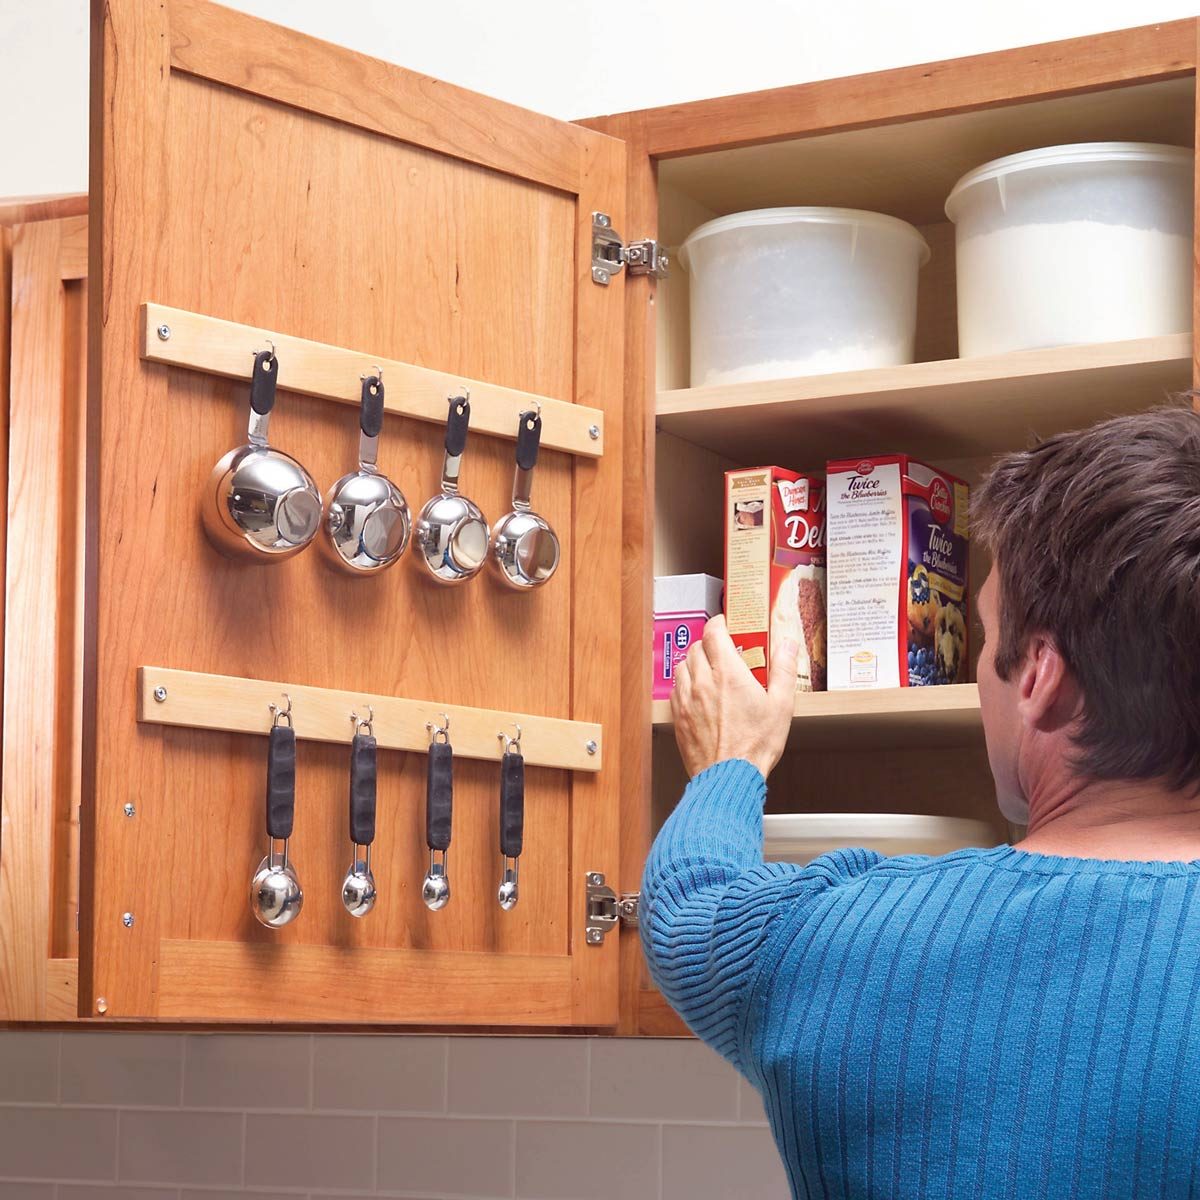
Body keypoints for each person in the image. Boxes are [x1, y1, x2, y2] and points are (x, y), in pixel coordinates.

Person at [643, 405, 1200, 1199]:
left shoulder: (830, 942)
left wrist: (731, 763)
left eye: (982, 636)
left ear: (1039, 678)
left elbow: (688, 906)